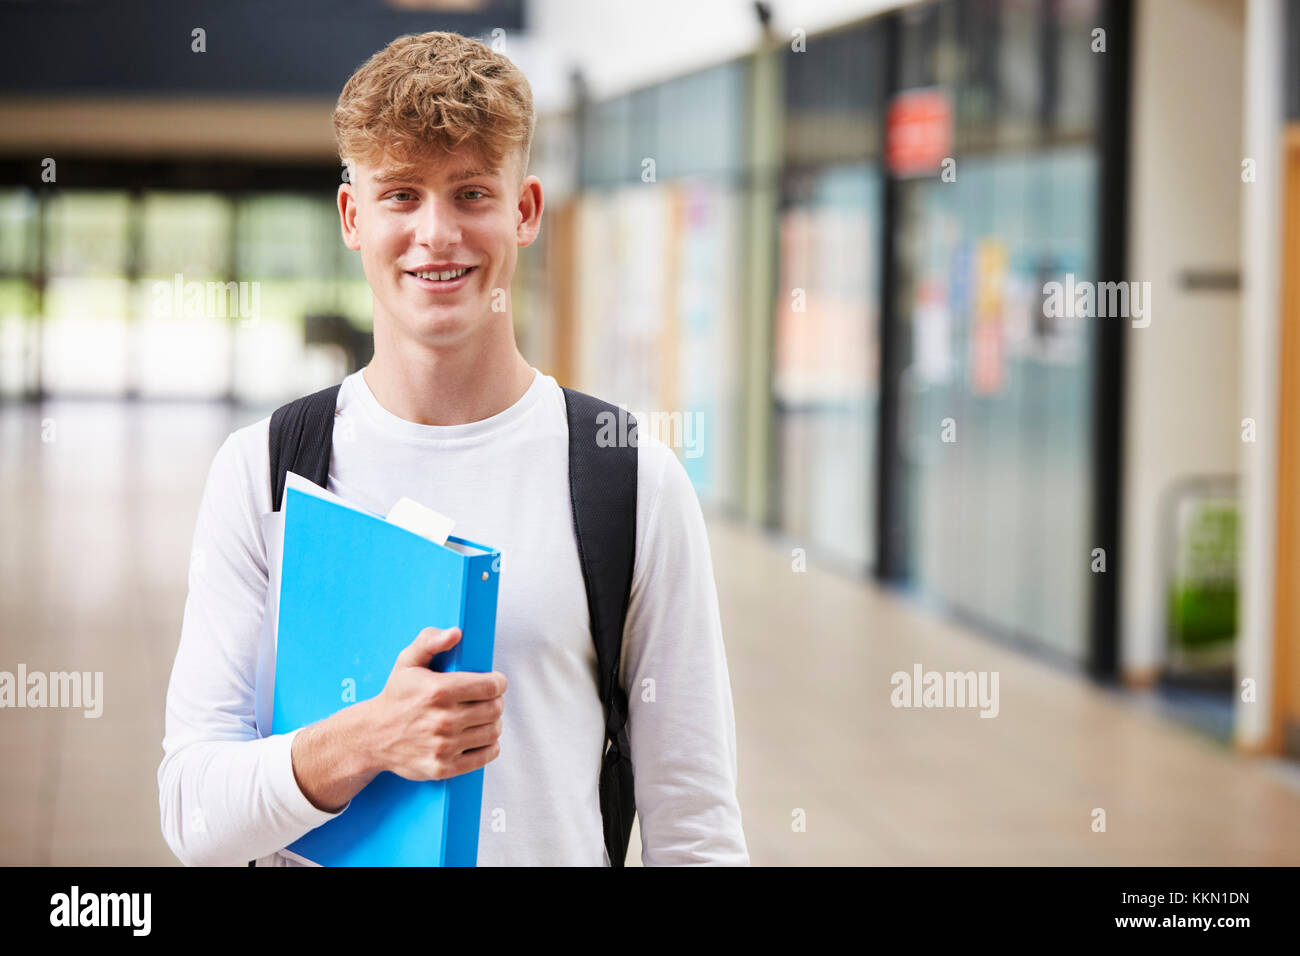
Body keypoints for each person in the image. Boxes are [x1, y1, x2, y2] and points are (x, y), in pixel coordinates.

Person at [156, 30, 749, 866]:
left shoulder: (629, 478)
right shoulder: (263, 472)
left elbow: (695, 829)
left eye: (471, 193)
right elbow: (192, 815)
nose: (437, 234)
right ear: (352, 217)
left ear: (526, 210)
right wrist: (365, 739)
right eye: (401, 195)